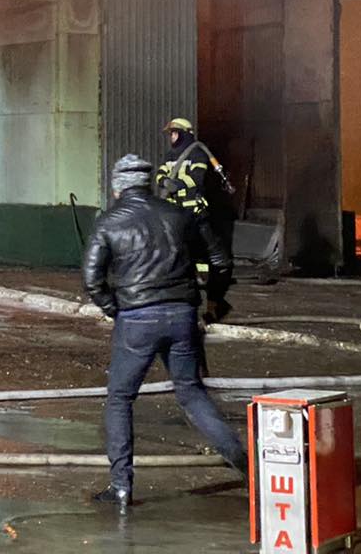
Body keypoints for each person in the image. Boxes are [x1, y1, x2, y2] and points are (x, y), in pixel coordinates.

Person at [82, 153, 246, 510]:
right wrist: (214, 301)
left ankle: (121, 487)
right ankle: (244, 461)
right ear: (148, 184)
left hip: (136, 319)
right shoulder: (179, 216)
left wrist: (115, 309)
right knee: (191, 393)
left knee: (120, 399)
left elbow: (92, 280)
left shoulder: (108, 222)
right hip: (182, 314)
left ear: (117, 188)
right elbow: (220, 260)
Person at [156, 118, 235, 271]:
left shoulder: (197, 153)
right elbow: (160, 173)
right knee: (176, 242)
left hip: (193, 206)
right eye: (171, 134)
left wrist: (176, 184)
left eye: (174, 133)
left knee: (204, 241)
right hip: (174, 208)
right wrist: (164, 181)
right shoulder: (170, 155)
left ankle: (220, 268)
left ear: (184, 134)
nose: (171, 137)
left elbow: (197, 177)